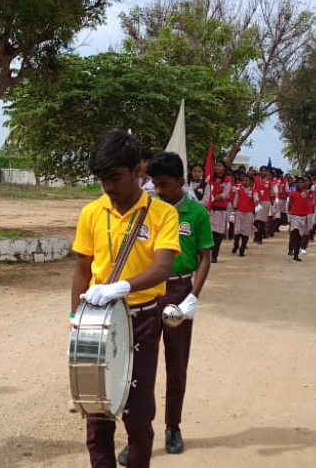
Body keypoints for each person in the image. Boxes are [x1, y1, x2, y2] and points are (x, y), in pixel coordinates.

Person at [71, 130, 180, 468]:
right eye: (102, 179)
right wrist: (76, 322)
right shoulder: (92, 212)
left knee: (138, 415)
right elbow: (82, 270)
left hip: (142, 320)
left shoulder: (163, 214)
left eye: (115, 178)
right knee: (97, 412)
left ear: (137, 172)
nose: (108, 187)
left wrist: (121, 287)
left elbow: (163, 267)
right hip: (97, 320)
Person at [136, 152, 212, 459]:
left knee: (176, 364)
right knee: (142, 365)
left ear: (181, 182)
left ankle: (173, 427)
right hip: (148, 292)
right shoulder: (148, 209)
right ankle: (140, 433)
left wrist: (193, 296)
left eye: (164, 185)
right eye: (155, 184)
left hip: (179, 291)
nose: (158, 190)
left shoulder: (197, 214)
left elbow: (205, 257)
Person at [208, 160, 232, 263]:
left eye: (219, 166)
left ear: (224, 168)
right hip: (210, 209)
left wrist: (218, 197)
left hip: (220, 209)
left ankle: (214, 255)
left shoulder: (227, 180)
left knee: (218, 233)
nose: (217, 167)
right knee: (208, 231)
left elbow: (226, 193)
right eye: (216, 165)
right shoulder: (210, 178)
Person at [231, 173, 258, 257]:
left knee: (245, 231)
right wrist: (234, 207)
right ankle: (236, 245)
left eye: (247, 180)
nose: (245, 182)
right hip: (239, 212)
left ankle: (242, 249)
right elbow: (236, 200)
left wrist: (256, 202)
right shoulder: (239, 191)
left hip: (249, 213)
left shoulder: (253, 191)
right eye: (244, 180)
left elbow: (256, 199)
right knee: (237, 230)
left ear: (251, 182)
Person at [287, 177, 312, 262]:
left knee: (299, 236)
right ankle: (291, 249)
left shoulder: (306, 192)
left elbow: (311, 192)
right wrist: (289, 216)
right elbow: (289, 204)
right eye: (298, 182)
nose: (300, 184)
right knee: (294, 234)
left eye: (302, 182)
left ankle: (296, 255)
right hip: (294, 216)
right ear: (296, 184)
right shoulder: (292, 193)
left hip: (303, 217)